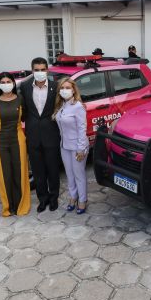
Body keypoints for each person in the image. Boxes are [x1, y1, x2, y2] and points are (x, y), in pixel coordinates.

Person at [0, 73, 32, 217]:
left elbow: (27, 117)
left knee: (20, 172)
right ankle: (8, 207)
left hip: (18, 139)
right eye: (3, 82)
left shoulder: (20, 99)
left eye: (8, 81)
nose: (6, 84)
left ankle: (21, 205)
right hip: (0, 140)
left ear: (13, 83)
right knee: (4, 174)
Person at [20, 57, 62, 212]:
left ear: (47, 70)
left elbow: (62, 106)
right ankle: (42, 199)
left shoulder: (56, 86)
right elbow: (22, 109)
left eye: (42, 69)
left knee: (52, 169)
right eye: (36, 70)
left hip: (51, 134)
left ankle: (54, 198)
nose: (40, 72)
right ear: (32, 71)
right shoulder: (24, 87)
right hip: (33, 135)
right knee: (38, 171)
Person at [54, 78, 89, 214]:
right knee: (69, 174)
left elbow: (82, 129)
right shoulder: (61, 105)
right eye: (62, 88)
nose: (65, 90)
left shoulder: (78, 106)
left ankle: (83, 199)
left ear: (74, 90)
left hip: (77, 146)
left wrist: (81, 149)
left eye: (68, 87)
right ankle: (73, 197)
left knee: (78, 174)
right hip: (65, 146)